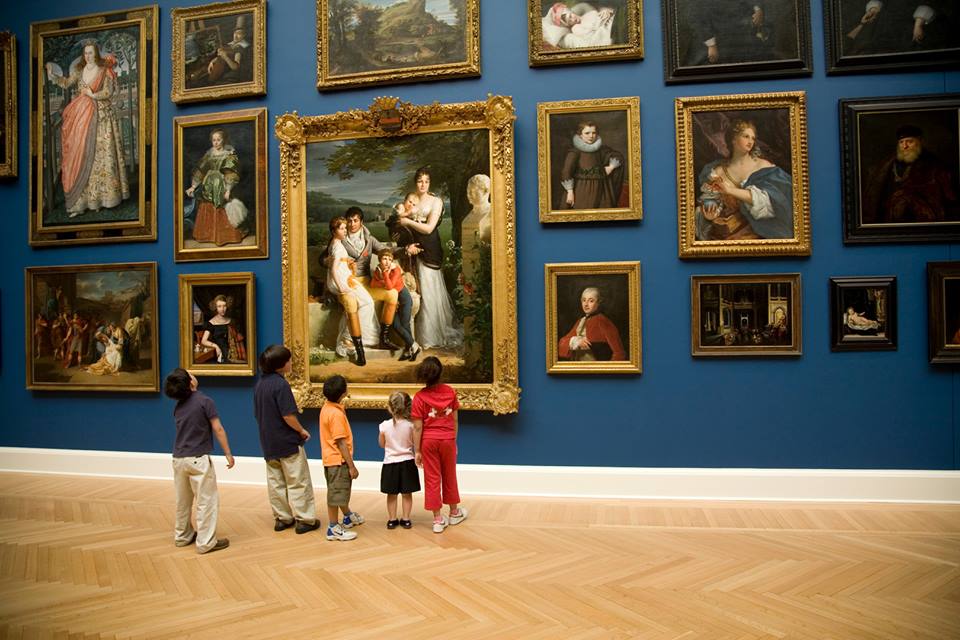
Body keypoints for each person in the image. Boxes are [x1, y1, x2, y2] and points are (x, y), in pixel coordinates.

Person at [46, 42, 130, 217]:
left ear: (96, 54)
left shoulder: (104, 70)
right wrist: (52, 75)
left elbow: (108, 92)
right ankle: (84, 201)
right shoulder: (79, 71)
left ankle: (102, 199)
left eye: (91, 53)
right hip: (81, 116)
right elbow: (66, 83)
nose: (88, 56)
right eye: (86, 53)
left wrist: (92, 95)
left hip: (101, 117)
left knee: (101, 155)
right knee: (81, 154)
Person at [163, 368, 233, 554]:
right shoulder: (204, 401)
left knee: (183, 501)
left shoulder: (178, 406)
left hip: (178, 459)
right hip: (198, 460)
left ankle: (182, 536)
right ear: (190, 383)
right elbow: (218, 428)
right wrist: (228, 453)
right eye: (190, 375)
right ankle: (206, 542)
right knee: (206, 501)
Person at [253, 344, 320, 534]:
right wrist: (301, 430)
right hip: (287, 441)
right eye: (289, 360)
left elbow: (258, 414)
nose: (291, 363)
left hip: (268, 441)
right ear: (280, 365)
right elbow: (288, 415)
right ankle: (305, 519)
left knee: (276, 482)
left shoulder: (260, 385)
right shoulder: (281, 385)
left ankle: (282, 518)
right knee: (297, 480)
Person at [397, 167, 464, 350]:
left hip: (430, 247)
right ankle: (415, 336)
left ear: (430, 183)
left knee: (428, 289)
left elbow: (428, 228)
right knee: (418, 289)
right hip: (414, 248)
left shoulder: (436, 201)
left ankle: (431, 335)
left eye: (426, 181)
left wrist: (408, 221)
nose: (423, 184)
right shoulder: (411, 199)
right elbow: (399, 221)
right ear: (415, 182)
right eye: (420, 181)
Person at [696, 119, 794, 240]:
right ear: (733, 139)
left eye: (753, 138)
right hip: (727, 233)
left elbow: (775, 202)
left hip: (761, 231)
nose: (750, 141)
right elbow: (710, 203)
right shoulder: (718, 171)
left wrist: (729, 190)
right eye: (746, 136)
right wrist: (710, 215)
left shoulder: (763, 166)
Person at [412, 357, 467, 534]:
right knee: (450, 474)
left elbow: (417, 427)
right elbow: (455, 420)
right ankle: (454, 512)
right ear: (440, 373)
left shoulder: (419, 397)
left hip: (428, 442)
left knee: (432, 478)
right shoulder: (450, 392)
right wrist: (453, 440)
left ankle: (437, 519)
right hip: (448, 439)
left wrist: (417, 450)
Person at [862, 125, 958, 224]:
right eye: (901, 142)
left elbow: (940, 195)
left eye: (909, 142)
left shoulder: (933, 163)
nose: (905, 146)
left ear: (919, 141)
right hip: (889, 216)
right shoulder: (888, 163)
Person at [341, 206, 401, 350]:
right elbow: (323, 259)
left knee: (392, 294)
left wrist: (405, 250)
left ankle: (383, 339)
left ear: (361, 222)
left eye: (355, 220)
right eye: (349, 221)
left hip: (367, 282)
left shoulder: (369, 239)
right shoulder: (340, 239)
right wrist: (331, 261)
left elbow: (386, 252)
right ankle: (350, 338)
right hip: (349, 282)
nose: (352, 224)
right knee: (359, 302)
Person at [327, 216, 378, 366]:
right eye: (341, 228)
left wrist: (347, 262)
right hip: (341, 281)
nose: (345, 230)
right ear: (334, 231)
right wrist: (341, 287)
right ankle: (348, 338)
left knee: (367, 302)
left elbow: (339, 263)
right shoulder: (337, 246)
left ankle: (347, 337)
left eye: (345, 228)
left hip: (345, 277)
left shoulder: (336, 243)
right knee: (367, 303)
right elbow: (334, 270)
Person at [318, 374, 363, 541]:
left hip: (331, 460)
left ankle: (347, 516)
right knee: (335, 495)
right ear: (344, 393)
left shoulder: (327, 408)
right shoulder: (335, 415)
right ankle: (333, 528)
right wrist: (351, 466)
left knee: (340, 492)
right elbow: (341, 443)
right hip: (338, 461)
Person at [186, 128, 247, 246]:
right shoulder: (209, 154)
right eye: (214, 140)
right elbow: (200, 171)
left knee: (222, 205)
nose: (216, 142)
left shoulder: (229, 154)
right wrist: (193, 186)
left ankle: (223, 236)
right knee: (207, 205)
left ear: (223, 140)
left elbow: (230, 173)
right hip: (208, 185)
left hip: (222, 184)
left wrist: (228, 190)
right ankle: (208, 235)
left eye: (218, 140)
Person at [844, 0, 952, 55]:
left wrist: (919, 22)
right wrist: (874, 10)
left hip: (912, 24)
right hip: (886, 23)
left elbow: (933, 3)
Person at [686, 0, 776, 66]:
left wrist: (758, 10)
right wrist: (711, 44)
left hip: (741, 36)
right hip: (711, 40)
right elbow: (695, 18)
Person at [560, 121, 625, 210]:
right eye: (587, 133)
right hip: (582, 190)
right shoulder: (575, 152)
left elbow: (618, 156)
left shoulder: (602, 150)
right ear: (580, 135)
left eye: (593, 133)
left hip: (602, 191)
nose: (591, 136)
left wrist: (611, 167)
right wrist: (570, 192)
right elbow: (566, 172)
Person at [379, 391, 421, 529]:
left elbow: (382, 444)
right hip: (407, 462)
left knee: (391, 494)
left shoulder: (384, 425)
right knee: (407, 494)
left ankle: (392, 519)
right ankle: (406, 519)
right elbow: (414, 443)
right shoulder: (410, 425)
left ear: (390, 407)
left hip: (390, 463)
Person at [371, 248, 420, 361]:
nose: (387, 262)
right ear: (379, 260)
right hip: (393, 301)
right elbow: (373, 284)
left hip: (404, 300)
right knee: (395, 324)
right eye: (384, 259)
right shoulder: (378, 270)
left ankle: (409, 350)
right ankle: (414, 346)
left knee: (404, 325)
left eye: (390, 259)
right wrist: (384, 280)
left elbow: (389, 286)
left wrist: (384, 276)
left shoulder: (396, 269)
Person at [558, 287, 627, 361]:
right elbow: (562, 343)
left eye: (591, 301)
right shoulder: (580, 321)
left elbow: (619, 353)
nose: (586, 304)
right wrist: (574, 341)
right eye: (584, 300)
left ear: (598, 303)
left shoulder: (603, 321)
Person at [200, 294, 246, 365]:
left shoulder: (232, 321)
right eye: (219, 306)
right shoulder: (211, 323)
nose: (222, 309)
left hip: (234, 354)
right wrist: (216, 346)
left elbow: (239, 339)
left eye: (224, 306)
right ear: (215, 307)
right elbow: (203, 341)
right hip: (220, 354)